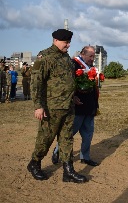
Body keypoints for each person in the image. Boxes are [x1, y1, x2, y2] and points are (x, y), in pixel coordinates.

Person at [27, 28, 87, 183]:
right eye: (66, 42)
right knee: (46, 138)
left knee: (67, 139)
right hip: (51, 108)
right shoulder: (45, 57)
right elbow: (36, 83)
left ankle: (68, 171)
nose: (68, 45)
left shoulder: (66, 58)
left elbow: (67, 81)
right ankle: (34, 163)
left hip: (68, 106)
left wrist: (73, 97)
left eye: (69, 42)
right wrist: (38, 106)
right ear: (56, 40)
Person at [52, 46, 100, 167]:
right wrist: (72, 97)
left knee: (88, 133)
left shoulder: (91, 67)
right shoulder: (73, 64)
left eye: (93, 56)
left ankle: (85, 157)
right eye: (90, 56)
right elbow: (65, 84)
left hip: (90, 106)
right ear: (83, 54)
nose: (92, 58)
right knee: (70, 133)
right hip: (76, 108)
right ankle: (58, 150)